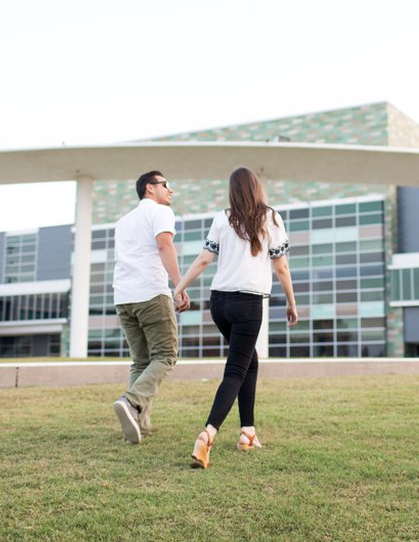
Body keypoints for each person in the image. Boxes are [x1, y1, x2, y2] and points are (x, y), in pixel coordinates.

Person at [174, 166, 298, 469]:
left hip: (219, 303)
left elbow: (204, 260)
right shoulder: (270, 217)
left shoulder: (222, 218)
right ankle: (208, 434)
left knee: (248, 361)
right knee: (236, 369)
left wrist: (178, 288)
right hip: (248, 304)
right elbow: (281, 267)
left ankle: (248, 432)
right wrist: (292, 303)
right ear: (256, 187)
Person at [111, 170, 190, 444]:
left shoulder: (123, 222)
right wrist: (179, 287)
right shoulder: (160, 212)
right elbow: (164, 246)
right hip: (150, 293)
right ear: (149, 188)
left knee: (141, 361)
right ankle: (131, 402)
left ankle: (139, 423)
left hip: (123, 297)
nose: (170, 190)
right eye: (165, 185)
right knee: (166, 355)